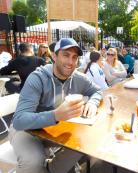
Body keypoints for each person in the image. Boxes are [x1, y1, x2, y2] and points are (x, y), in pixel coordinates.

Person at [9, 38, 103, 173]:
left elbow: (98, 90)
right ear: (54, 56)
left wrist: (93, 103)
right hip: (26, 131)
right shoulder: (37, 78)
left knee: (85, 140)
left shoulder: (78, 78)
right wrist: (55, 115)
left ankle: (52, 169)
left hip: (53, 129)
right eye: (66, 55)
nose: (70, 62)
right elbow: (19, 121)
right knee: (33, 162)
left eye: (74, 57)